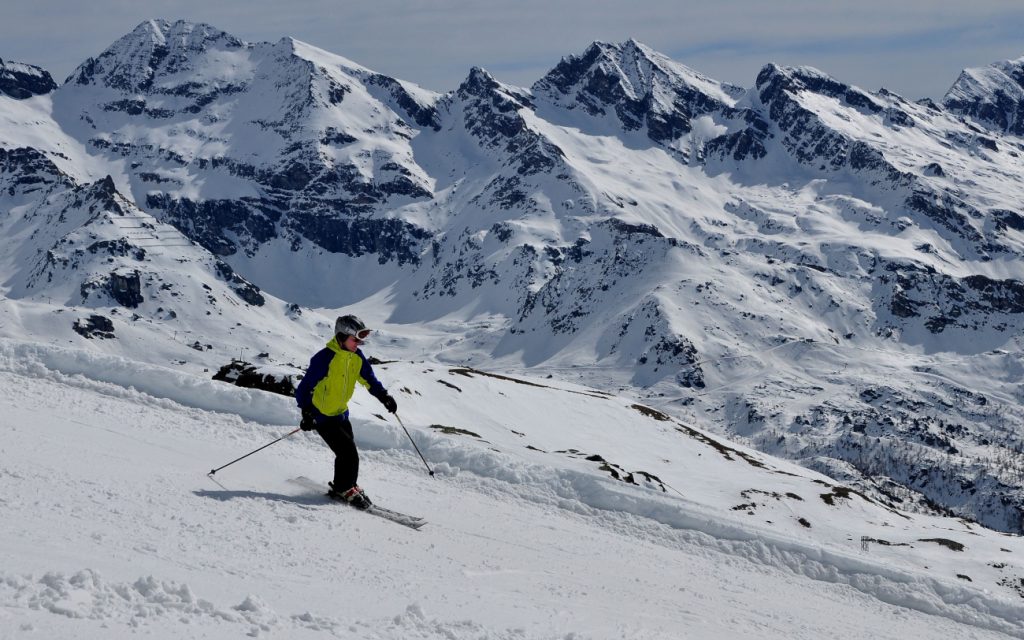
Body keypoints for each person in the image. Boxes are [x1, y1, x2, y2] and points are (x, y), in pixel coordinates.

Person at [295, 315, 398, 509]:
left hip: (341, 414)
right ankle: (344, 488)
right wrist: (307, 413)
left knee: (347, 453)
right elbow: (304, 388)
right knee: (348, 454)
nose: (359, 343)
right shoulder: (325, 358)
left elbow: (369, 379)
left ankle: (345, 485)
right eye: (355, 339)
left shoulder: (356, 357)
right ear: (342, 337)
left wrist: (384, 396)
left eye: (361, 339)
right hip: (322, 416)